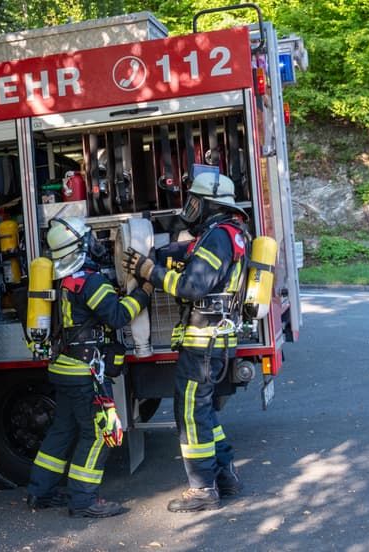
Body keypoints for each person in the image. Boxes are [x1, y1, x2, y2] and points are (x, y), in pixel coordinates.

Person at [125, 172, 247, 512]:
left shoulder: (218, 237)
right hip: (214, 341)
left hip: (203, 344)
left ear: (210, 204)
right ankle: (226, 477)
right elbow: (193, 263)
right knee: (203, 412)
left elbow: (193, 287)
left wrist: (150, 272)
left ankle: (202, 490)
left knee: (190, 415)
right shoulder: (229, 234)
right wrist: (161, 257)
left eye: (195, 201)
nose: (190, 207)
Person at [26, 216, 151, 518]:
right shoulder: (89, 280)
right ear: (79, 247)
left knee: (62, 430)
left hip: (64, 367)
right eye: (90, 240)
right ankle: (83, 499)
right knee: (98, 434)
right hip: (85, 373)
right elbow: (118, 316)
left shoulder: (59, 279)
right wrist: (143, 294)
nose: (96, 245)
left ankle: (40, 491)